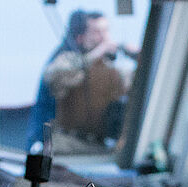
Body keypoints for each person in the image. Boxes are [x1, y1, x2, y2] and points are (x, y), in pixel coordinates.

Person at [27, 10, 135, 152]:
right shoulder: (66, 60)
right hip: (66, 144)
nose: (103, 38)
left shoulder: (110, 69)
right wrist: (96, 54)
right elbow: (54, 75)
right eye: (96, 32)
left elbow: (134, 83)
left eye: (106, 31)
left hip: (98, 145)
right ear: (81, 36)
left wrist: (138, 55)